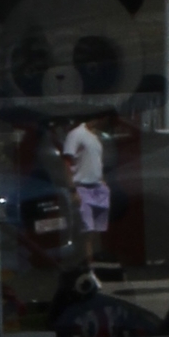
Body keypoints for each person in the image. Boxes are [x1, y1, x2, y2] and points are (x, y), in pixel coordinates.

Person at [61, 113, 110, 271]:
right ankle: (90, 270)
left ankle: (95, 265)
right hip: (82, 188)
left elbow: (96, 161)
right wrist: (73, 189)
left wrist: (103, 182)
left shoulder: (95, 137)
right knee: (87, 232)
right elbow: (67, 163)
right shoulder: (76, 134)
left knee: (97, 231)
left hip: (98, 187)